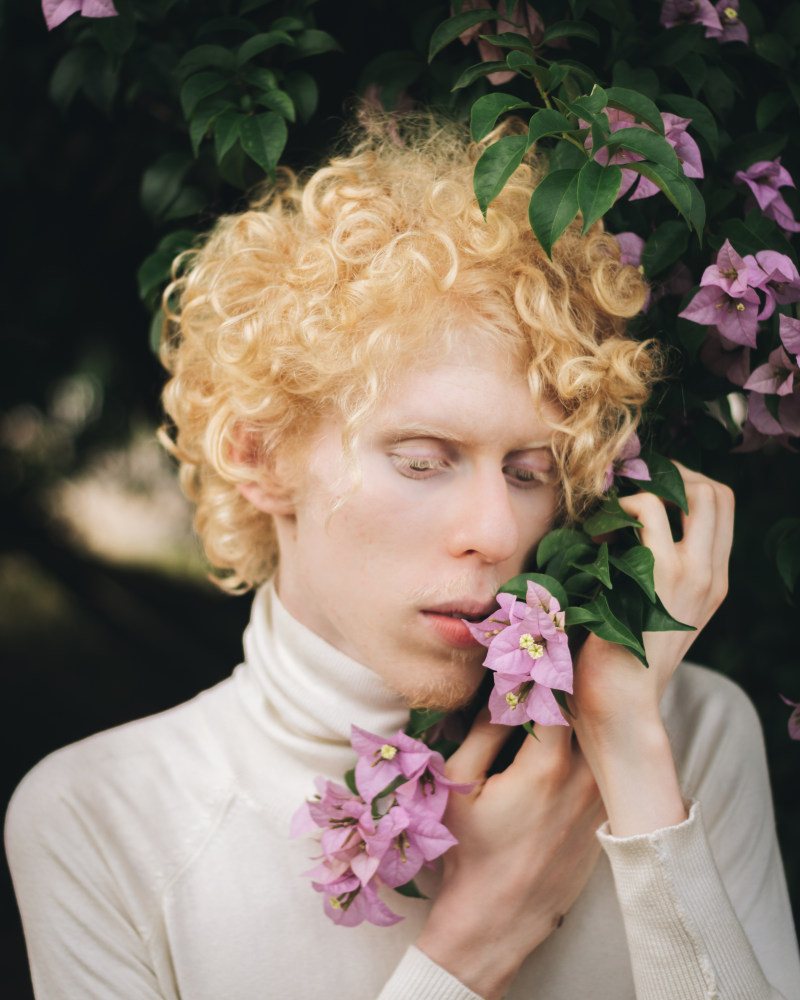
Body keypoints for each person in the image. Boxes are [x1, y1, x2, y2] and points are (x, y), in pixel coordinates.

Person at [5, 115, 800, 1000]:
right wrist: (468, 949)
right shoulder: (96, 819)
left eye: (533, 472)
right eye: (423, 460)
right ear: (259, 454)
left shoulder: (689, 730)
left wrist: (634, 760)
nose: (496, 534)